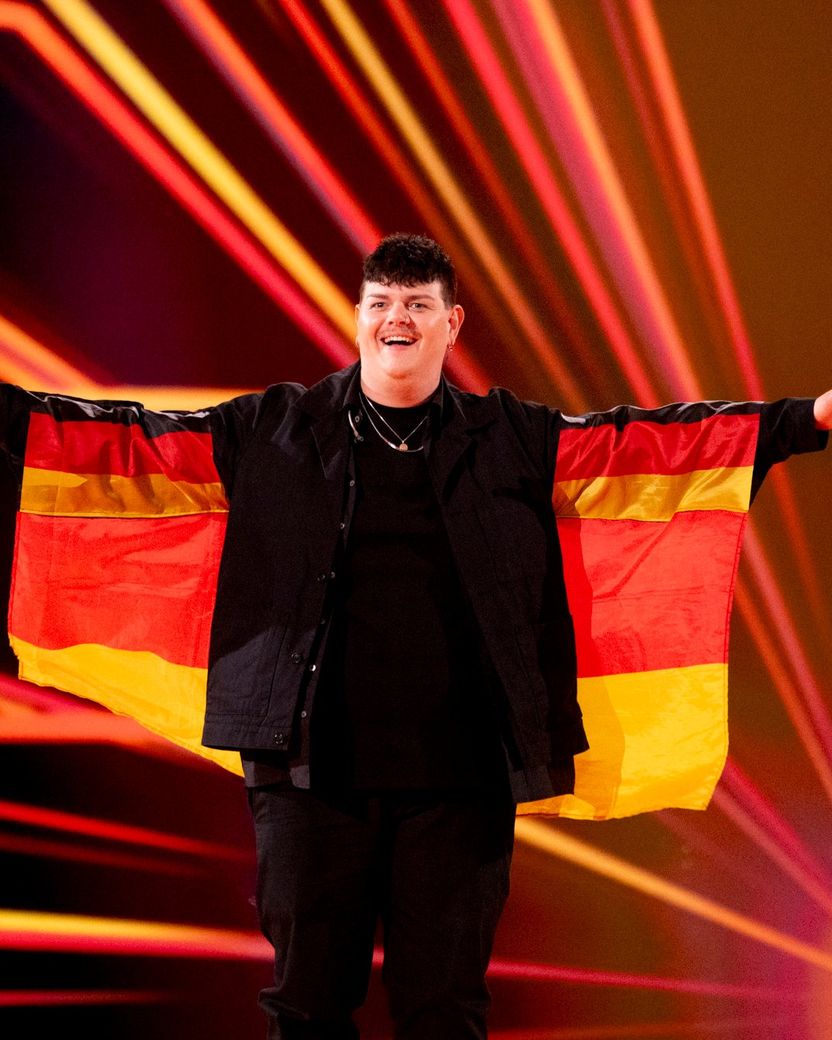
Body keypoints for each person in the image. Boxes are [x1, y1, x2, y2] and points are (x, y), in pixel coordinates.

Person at [1, 233, 830, 1039]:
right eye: (382, 302)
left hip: (461, 784)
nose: (397, 317)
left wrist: (808, 420)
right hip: (307, 774)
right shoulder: (272, 430)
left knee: (443, 1012)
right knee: (307, 1006)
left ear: (450, 323)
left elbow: (650, 444)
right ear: (358, 315)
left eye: (418, 304)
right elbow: (127, 441)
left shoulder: (514, 437)